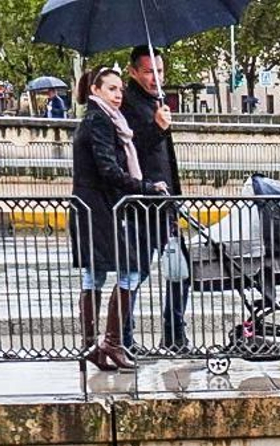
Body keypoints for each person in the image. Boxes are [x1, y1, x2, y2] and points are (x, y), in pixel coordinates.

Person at [70, 66, 168, 371]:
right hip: (98, 209)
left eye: (119, 90)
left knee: (95, 276)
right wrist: (147, 187)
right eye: (112, 89)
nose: (118, 95)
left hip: (94, 208)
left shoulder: (107, 120)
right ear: (95, 91)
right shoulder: (99, 120)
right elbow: (109, 170)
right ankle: (110, 343)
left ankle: (93, 347)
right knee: (131, 272)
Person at [123, 46, 189, 350]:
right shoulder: (128, 105)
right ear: (133, 71)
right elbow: (132, 151)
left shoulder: (156, 102)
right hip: (142, 202)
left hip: (164, 204)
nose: (155, 78)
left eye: (159, 71)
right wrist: (157, 127)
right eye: (149, 72)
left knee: (180, 270)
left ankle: (174, 333)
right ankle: (122, 337)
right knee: (135, 273)